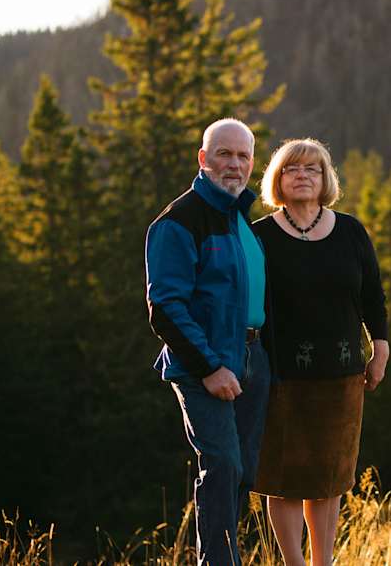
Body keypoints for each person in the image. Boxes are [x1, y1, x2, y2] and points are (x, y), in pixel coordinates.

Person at [251, 138, 389, 566]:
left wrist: (379, 346)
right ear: (278, 179)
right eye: (292, 169)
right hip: (281, 377)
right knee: (286, 479)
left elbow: (373, 297)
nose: (303, 175)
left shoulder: (350, 230)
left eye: (313, 168)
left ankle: (322, 563)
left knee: (330, 478)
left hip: (344, 375)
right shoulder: (260, 236)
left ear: (326, 178)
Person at [145, 118, 272, 565]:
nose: (234, 164)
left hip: (252, 360)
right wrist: (210, 367)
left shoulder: (241, 218)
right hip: (205, 366)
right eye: (224, 153)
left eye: (243, 156)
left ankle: (224, 557)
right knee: (222, 466)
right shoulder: (179, 221)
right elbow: (165, 307)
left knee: (244, 473)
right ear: (203, 158)